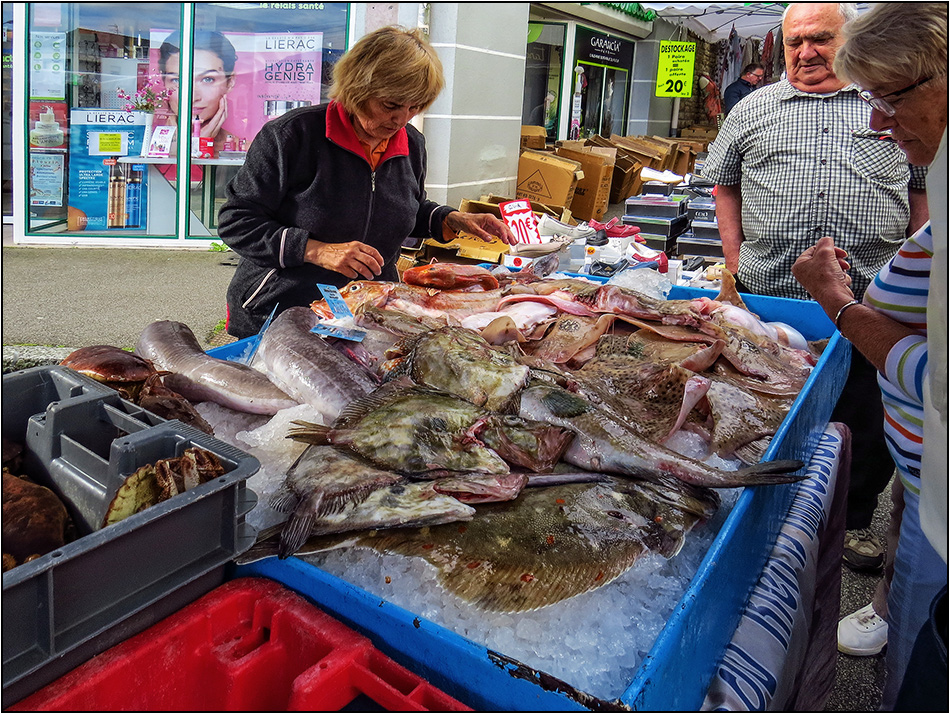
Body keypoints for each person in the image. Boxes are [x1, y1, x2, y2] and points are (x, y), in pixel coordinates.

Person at [702, 2, 929, 600]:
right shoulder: (752, 108)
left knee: (865, 420)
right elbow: (723, 182)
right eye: (794, 42)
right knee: (758, 411)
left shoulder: (889, 104)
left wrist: (920, 261)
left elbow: (922, 187)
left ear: (848, 40)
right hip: (769, 302)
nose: (805, 53)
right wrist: (732, 257)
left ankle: (850, 521)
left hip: (873, 305)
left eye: (820, 39)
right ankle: (761, 518)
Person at [791, 3, 947, 708]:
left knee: (920, 677)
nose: (879, 123)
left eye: (889, 99)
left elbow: (939, 376)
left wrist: (840, 303)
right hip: (929, 485)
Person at [216, 26, 516, 339]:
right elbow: (236, 221)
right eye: (391, 105)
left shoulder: (411, 143)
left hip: (366, 312)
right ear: (357, 88)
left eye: (414, 107)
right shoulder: (291, 136)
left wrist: (451, 219)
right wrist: (316, 250)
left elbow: (403, 207)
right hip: (282, 310)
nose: (402, 119)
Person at [158, 30, 243, 154]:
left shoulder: (247, 151)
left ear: (229, 82)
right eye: (177, 80)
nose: (192, 98)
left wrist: (202, 145)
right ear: (164, 82)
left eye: (207, 79)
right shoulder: (148, 145)